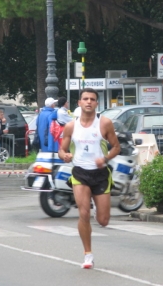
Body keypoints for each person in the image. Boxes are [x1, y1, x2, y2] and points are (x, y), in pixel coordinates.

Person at [58, 88, 120, 269]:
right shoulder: (71, 126)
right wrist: (65, 156)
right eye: (85, 99)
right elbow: (62, 149)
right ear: (79, 103)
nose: (88, 102)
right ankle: (88, 255)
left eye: (92, 99)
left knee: (103, 221)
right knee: (83, 213)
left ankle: (97, 208)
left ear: (96, 103)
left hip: (100, 174)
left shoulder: (105, 123)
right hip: (80, 173)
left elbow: (116, 147)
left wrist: (106, 158)